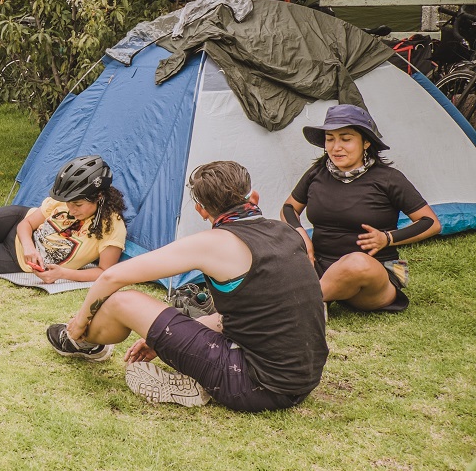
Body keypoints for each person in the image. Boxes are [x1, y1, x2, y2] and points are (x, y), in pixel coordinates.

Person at [47, 160, 328, 412]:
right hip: (302, 382)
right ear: (254, 197)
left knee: (124, 301)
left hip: (254, 386)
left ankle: (80, 342)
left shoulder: (213, 243)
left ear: (200, 209)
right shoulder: (288, 233)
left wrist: (79, 321)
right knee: (200, 317)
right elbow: (251, 316)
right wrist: (164, 338)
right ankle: (196, 379)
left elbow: (111, 277)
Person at [281, 104, 440, 313]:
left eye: (345, 139)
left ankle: (297, 306)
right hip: (320, 266)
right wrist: (300, 234)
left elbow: (431, 223)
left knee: (356, 263)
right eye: (330, 139)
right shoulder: (317, 173)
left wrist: (388, 238)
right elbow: (289, 207)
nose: (336, 147)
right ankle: (317, 298)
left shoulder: (389, 179)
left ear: (366, 142)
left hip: (372, 274)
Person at [0, 155, 127, 282]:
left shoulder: (112, 227)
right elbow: (27, 223)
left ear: (99, 197)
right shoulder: (63, 202)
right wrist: (29, 247)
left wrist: (63, 274)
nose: (71, 209)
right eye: (68, 204)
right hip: (14, 222)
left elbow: (104, 271)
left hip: (15, 258)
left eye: (78, 205)